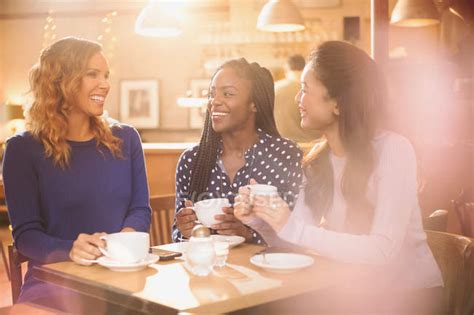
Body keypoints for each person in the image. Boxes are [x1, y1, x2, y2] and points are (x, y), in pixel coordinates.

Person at [235, 41, 444, 313]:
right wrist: (261, 221)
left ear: (338, 103)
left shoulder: (394, 149)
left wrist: (292, 227)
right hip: (351, 294)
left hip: (409, 296)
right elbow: (297, 239)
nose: (298, 99)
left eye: (305, 89)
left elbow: (383, 251)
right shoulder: (318, 161)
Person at [2, 37, 151, 309]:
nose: (105, 84)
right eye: (92, 74)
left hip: (123, 282)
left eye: (106, 75)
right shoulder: (22, 149)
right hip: (53, 284)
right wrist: (70, 249)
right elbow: (26, 235)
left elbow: (140, 209)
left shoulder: (127, 139)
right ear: (61, 80)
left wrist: (121, 248)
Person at [173, 58, 303, 244]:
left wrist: (248, 235)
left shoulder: (284, 155)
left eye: (227, 94)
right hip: (209, 269)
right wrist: (184, 231)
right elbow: (177, 236)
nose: (215, 102)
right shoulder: (191, 160)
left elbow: (296, 234)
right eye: (212, 93)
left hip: (267, 269)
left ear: (254, 104)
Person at [273, 54, 319, 143]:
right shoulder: (315, 89)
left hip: (280, 146)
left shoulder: (273, 88)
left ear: (286, 68)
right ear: (305, 66)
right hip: (311, 146)